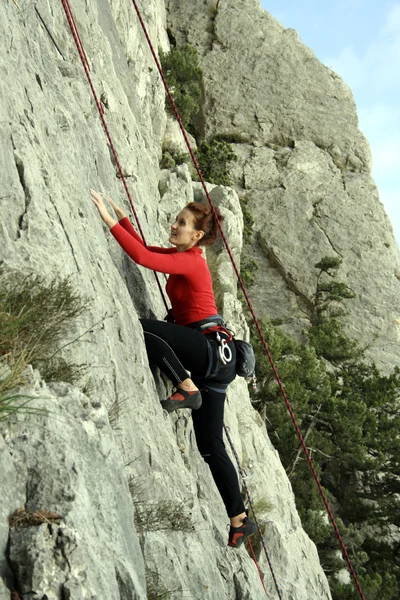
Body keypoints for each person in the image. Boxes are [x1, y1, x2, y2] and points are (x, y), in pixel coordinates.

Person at [90, 189, 256, 548]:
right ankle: (239, 518)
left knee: (144, 327)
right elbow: (148, 252)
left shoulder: (193, 261)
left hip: (207, 351)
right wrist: (123, 222)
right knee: (210, 446)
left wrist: (108, 223)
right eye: (177, 220)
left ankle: (186, 386)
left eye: (182, 223)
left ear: (197, 235)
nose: (174, 225)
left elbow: (139, 256)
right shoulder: (186, 254)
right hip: (218, 359)